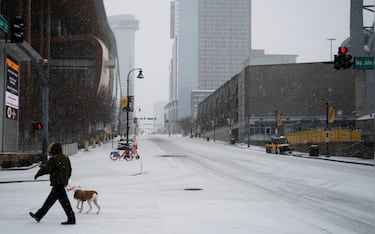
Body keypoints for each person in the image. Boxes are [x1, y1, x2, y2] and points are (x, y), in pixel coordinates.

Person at [29, 142, 76, 225]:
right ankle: (39, 215)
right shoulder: (66, 158)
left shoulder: (54, 159)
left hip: (57, 183)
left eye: (51, 149)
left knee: (64, 202)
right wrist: (66, 180)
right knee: (50, 201)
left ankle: (71, 218)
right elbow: (69, 170)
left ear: (54, 149)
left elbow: (47, 169)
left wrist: (38, 174)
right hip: (61, 183)